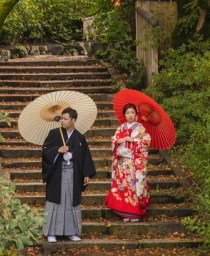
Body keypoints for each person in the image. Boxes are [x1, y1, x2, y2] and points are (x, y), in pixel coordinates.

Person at [41, 107, 96, 243]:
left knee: (71, 202)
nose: (62, 121)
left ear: (73, 120)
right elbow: (46, 150)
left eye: (65, 119)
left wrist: (86, 173)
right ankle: (51, 232)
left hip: (74, 174)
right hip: (57, 174)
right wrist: (57, 149)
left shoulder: (80, 137)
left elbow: (85, 157)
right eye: (61, 119)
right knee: (55, 202)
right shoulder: (54, 134)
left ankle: (72, 231)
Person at [104, 103, 151, 221]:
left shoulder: (140, 127)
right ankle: (124, 211)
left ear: (136, 115)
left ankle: (134, 212)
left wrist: (133, 141)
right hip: (122, 161)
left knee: (133, 186)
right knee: (123, 186)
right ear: (124, 114)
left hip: (133, 162)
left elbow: (146, 142)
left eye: (132, 113)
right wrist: (121, 140)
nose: (130, 115)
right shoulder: (120, 127)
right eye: (127, 113)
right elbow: (113, 140)